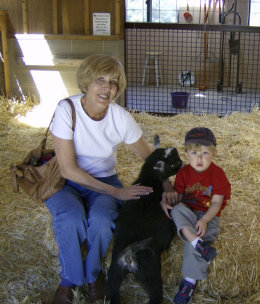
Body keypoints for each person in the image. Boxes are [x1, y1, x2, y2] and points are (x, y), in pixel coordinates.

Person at [46, 54, 175, 304]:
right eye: (100, 80)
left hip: (105, 180)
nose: (107, 88)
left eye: (114, 82)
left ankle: (93, 276)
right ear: (86, 81)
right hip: (67, 184)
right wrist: (116, 193)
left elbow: (150, 156)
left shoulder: (120, 117)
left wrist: (168, 184)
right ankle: (69, 281)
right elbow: (68, 170)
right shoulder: (67, 109)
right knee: (70, 219)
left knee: (103, 220)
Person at [161, 127, 231, 304]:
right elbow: (178, 198)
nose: (199, 158)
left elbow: (216, 203)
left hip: (208, 215)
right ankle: (198, 244)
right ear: (186, 155)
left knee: (196, 236)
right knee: (176, 210)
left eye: (205, 152)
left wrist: (205, 219)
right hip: (189, 213)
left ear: (214, 154)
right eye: (194, 153)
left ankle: (189, 281)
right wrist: (166, 200)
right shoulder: (183, 174)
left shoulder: (218, 175)